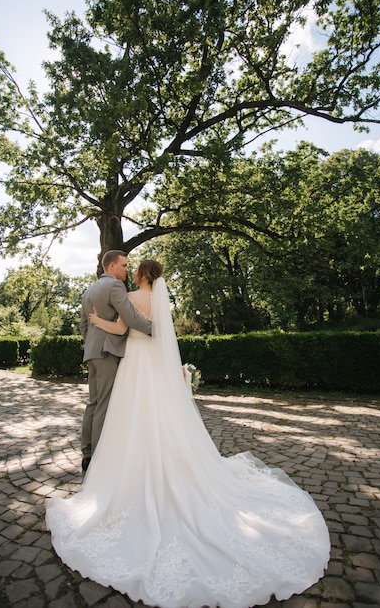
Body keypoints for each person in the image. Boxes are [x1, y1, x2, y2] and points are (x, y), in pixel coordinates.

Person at [46, 259, 330, 608]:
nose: (130, 269)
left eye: (133, 268)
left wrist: (95, 322)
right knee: (159, 412)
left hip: (134, 360)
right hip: (153, 362)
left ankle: (113, 460)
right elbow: (156, 331)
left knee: (125, 412)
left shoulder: (132, 296)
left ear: (141, 275)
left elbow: (123, 329)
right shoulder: (160, 301)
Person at [79, 250, 152, 472]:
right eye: (124, 266)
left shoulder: (89, 289)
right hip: (107, 352)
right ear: (111, 267)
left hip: (92, 353)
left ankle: (87, 453)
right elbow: (130, 318)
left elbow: (84, 326)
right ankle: (99, 456)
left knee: (93, 402)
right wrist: (158, 330)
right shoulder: (115, 286)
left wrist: (93, 343)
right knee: (104, 403)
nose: (127, 270)